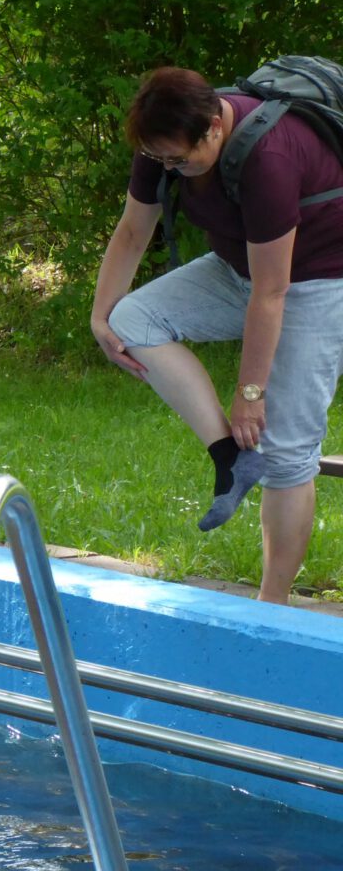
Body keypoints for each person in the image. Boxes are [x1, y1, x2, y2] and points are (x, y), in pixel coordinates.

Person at [91, 66, 343, 605]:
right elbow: (134, 229)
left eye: (179, 160)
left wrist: (250, 395)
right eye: (161, 160)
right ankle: (230, 457)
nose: (170, 169)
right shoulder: (163, 138)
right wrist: (99, 316)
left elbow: (272, 295)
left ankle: (271, 607)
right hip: (239, 268)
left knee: (288, 453)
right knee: (132, 319)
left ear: (213, 128)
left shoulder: (268, 158)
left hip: (319, 279)